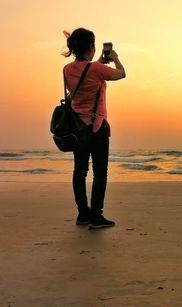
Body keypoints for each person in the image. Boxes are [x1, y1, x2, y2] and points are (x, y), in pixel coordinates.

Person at [62, 28, 126, 229]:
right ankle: (96, 217)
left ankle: (83, 214)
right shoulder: (97, 70)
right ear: (90, 46)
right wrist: (114, 58)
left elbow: (86, 73)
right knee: (100, 173)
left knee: (79, 171)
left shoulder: (66, 69)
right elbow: (121, 74)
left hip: (77, 128)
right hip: (97, 127)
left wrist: (98, 61)